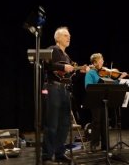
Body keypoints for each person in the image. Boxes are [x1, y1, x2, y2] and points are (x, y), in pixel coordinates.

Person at [42, 26, 89, 163]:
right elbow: (46, 65)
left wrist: (80, 72)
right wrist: (63, 67)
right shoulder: (52, 49)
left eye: (69, 36)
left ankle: (59, 152)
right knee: (51, 123)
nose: (69, 38)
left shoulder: (67, 56)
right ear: (58, 38)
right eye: (65, 35)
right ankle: (46, 155)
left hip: (64, 90)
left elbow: (69, 77)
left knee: (65, 123)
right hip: (52, 88)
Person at [84, 53, 128, 152]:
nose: (103, 61)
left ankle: (105, 145)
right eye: (101, 60)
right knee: (96, 122)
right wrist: (100, 82)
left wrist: (120, 79)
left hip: (104, 100)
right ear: (95, 62)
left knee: (105, 123)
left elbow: (111, 84)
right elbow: (88, 86)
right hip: (95, 100)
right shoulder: (90, 73)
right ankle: (94, 144)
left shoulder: (104, 72)